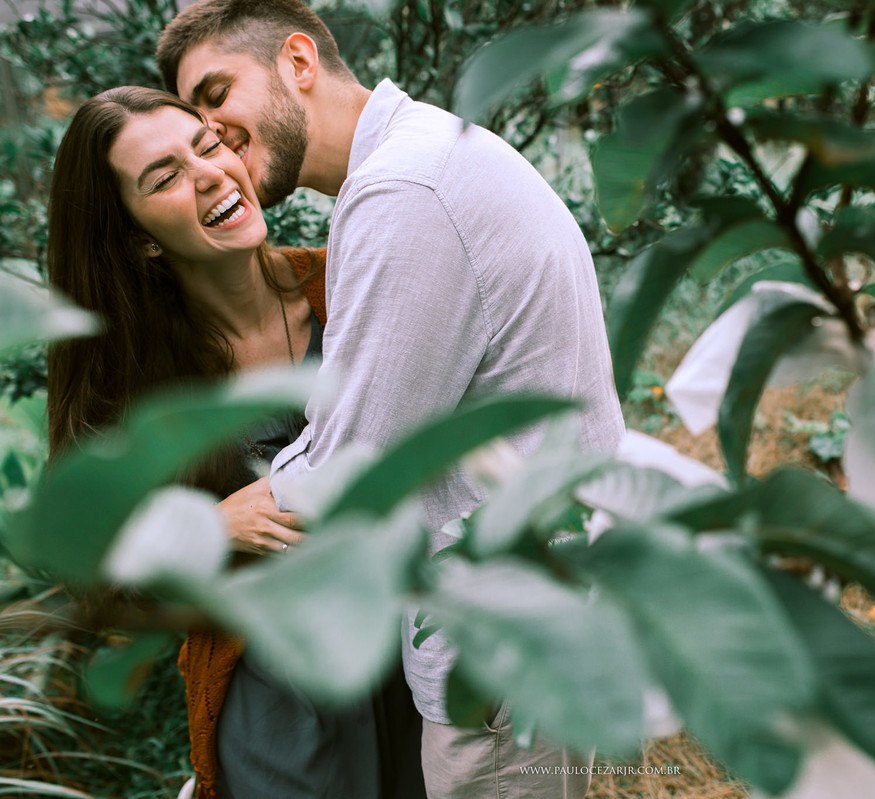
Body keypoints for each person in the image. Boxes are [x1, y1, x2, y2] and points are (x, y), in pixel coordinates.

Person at [156, 2, 626, 797]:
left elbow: (349, 474)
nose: (213, 134)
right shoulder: (424, 154)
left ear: (298, 62)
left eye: (215, 95)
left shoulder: (403, 188)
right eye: (193, 119)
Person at [45, 86, 424, 799]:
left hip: (417, 663)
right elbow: (91, 577)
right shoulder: (139, 386)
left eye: (209, 145)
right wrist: (212, 530)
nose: (212, 172)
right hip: (278, 713)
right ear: (138, 237)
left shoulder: (350, 288)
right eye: (164, 177)